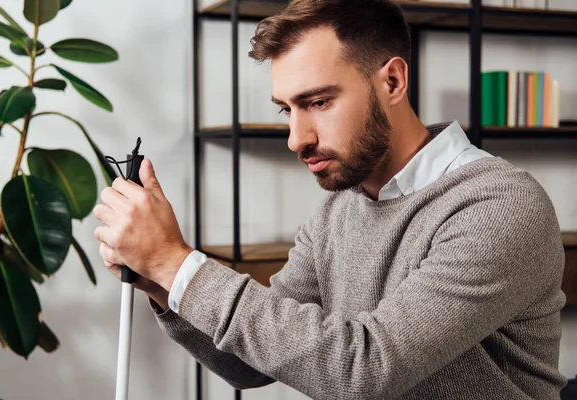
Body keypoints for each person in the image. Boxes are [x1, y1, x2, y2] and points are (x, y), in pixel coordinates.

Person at [93, 0, 568, 398]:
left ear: (393, 82)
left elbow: (364, 368)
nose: (296, 138)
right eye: (287, 110)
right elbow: (251, 364)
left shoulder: (499, 206)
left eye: (318, 102)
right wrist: (158, 282)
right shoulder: (338, 209)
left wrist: (175, 265)